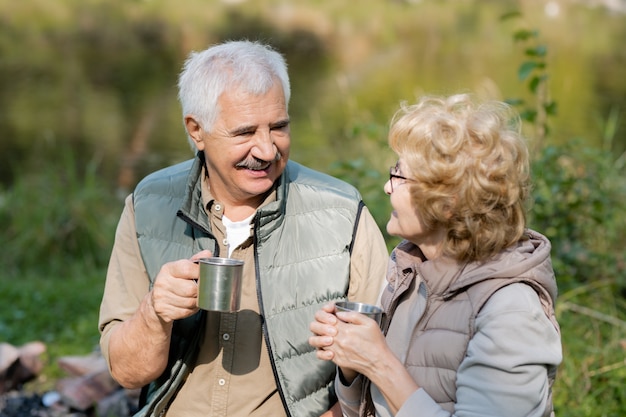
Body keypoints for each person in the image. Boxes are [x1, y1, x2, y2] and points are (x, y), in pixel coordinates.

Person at [98, 40, 388, 417]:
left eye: (279, 127)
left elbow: (386, 362)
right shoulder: (149, 205)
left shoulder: (341, 210)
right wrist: (155, 313)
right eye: (245, 132)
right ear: (196, 130)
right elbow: (127, 372)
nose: (267, 150)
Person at [309, 93, 562, 417]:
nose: (388, 187)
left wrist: (379, 361)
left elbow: (391, 378)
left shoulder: (510, 311)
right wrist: (351, 362)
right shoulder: (408, 272)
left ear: (447, 203)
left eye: (399, 175)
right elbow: (373, 407)